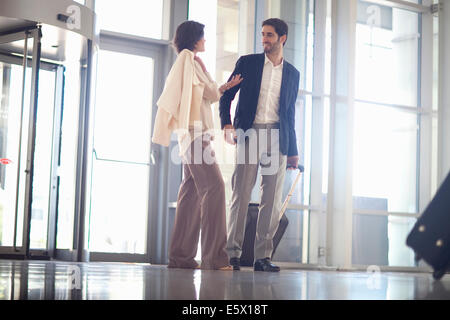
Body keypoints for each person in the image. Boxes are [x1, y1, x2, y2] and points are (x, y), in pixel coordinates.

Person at [152, 20, 242, 270]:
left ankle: (180, 258)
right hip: (194, 135)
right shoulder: (187, 59)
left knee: (190, 194)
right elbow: (185, 93)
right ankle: (215, 258)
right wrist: (211, 83)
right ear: (194, 38)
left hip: (192, 136)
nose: (205, 41)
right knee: (215, 187)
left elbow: (209, 95)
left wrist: (223, 87)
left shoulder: (192, 62)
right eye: (203, 37)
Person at [219, 18, 300, 272]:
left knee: (271, 200)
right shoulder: (248, 63)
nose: (264, 39)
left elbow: (289, 113)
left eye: (269, 35)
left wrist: (293, 151)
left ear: (282, 38)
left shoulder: (292, 74)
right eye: (263, 35)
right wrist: (227, 123)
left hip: (278, 137)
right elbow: (227, 94)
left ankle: (262, 257)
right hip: (250, 133)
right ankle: (233, 254)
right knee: (240, 194)